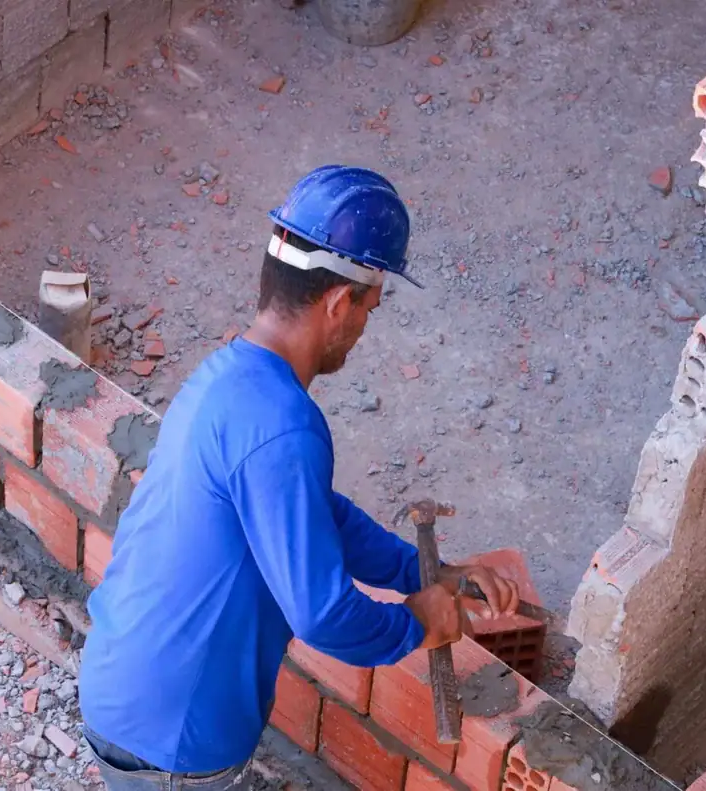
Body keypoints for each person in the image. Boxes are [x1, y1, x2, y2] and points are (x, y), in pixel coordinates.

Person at [78, 165, 520, 791]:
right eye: (369, 308)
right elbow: (323, 616)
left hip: (125, 686)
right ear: (340, 303)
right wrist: (418, 623)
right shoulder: (285, 426)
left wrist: (424, 573)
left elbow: (315, 513)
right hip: (176, 740)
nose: (364, 329)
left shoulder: (229, 377)